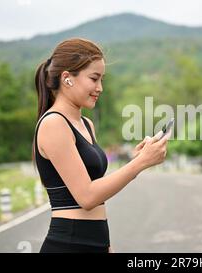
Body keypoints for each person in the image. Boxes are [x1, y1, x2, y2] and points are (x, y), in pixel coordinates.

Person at [32, 37, 170, 253]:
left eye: (102, 79)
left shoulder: (85, 124)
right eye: (94, 79)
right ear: (67, 78)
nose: (100, 88)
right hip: (69, 245)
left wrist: (106, 246)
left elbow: (97, 191)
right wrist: (141, 163)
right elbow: (87, 196)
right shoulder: (54, 123)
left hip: (95, 242)